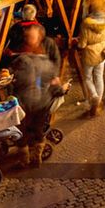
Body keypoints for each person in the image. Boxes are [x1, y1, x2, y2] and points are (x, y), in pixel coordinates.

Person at [9, 25, 68, 165]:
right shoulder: (22, 59)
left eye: (31, 37)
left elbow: (53, 82)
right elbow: (12, 74)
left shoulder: (38, 61)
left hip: (36, 103)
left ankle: (34, 157)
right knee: (27, 130)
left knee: (34, 130)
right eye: (28, 37)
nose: (29, 39)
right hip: (27, 102)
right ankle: (27, 157)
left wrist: (60, 88)